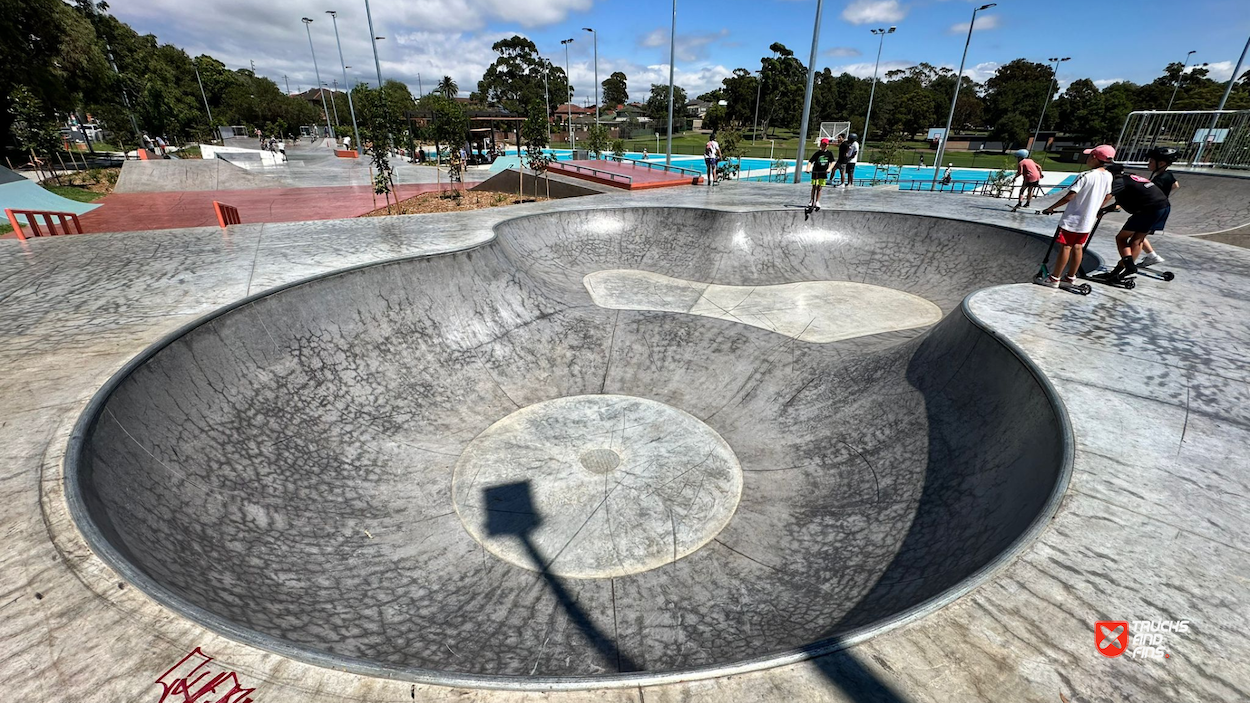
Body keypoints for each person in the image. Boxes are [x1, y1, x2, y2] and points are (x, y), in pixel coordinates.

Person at [1037, 145, 1116, 289]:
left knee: (1066, 247)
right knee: (1078, 247)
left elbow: (1070, 196)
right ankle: (1070, 277)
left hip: (1073, 219)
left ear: (1094, 157)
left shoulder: (1086, 175)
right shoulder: (1108, 175)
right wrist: (1096, 207)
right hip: (1087, 221)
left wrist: (1051, 208)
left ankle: (1055, 278)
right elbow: (1109, 195)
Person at [1096, 162, 1171, 282]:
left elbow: (1107, 196)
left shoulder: (1118, 181)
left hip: (1149, 209)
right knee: (1137, 240)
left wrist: (1095, 209)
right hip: (1163, 207)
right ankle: (1120, 271)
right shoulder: (1128, 178)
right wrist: (1104, 210)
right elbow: (1118, 204)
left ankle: (1129, 267)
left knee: (1121, 238)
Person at [1139, 146, 1181, 267]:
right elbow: (1176, 185)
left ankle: (1148, 257)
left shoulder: (1159, 180)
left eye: (1151, 161)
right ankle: (1152, 256)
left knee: (1135, 235)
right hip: (1161, 208)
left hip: (1152, 209)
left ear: (1161, 163)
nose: (1149, 163)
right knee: (1138, 234)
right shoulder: (1168, 175)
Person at [806, 138, 835, 211]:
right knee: (814, 186)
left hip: (823, 173)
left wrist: (829, 169)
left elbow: (833, 162)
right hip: (816, 172)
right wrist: (808, 168)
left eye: (825, 145)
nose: (824, 146)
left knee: (819, 187)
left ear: (827, 145)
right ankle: (811, 200)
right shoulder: (817, 153)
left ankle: (817, 201)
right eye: (822, 144)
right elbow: (810, 161)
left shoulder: (829, 153)